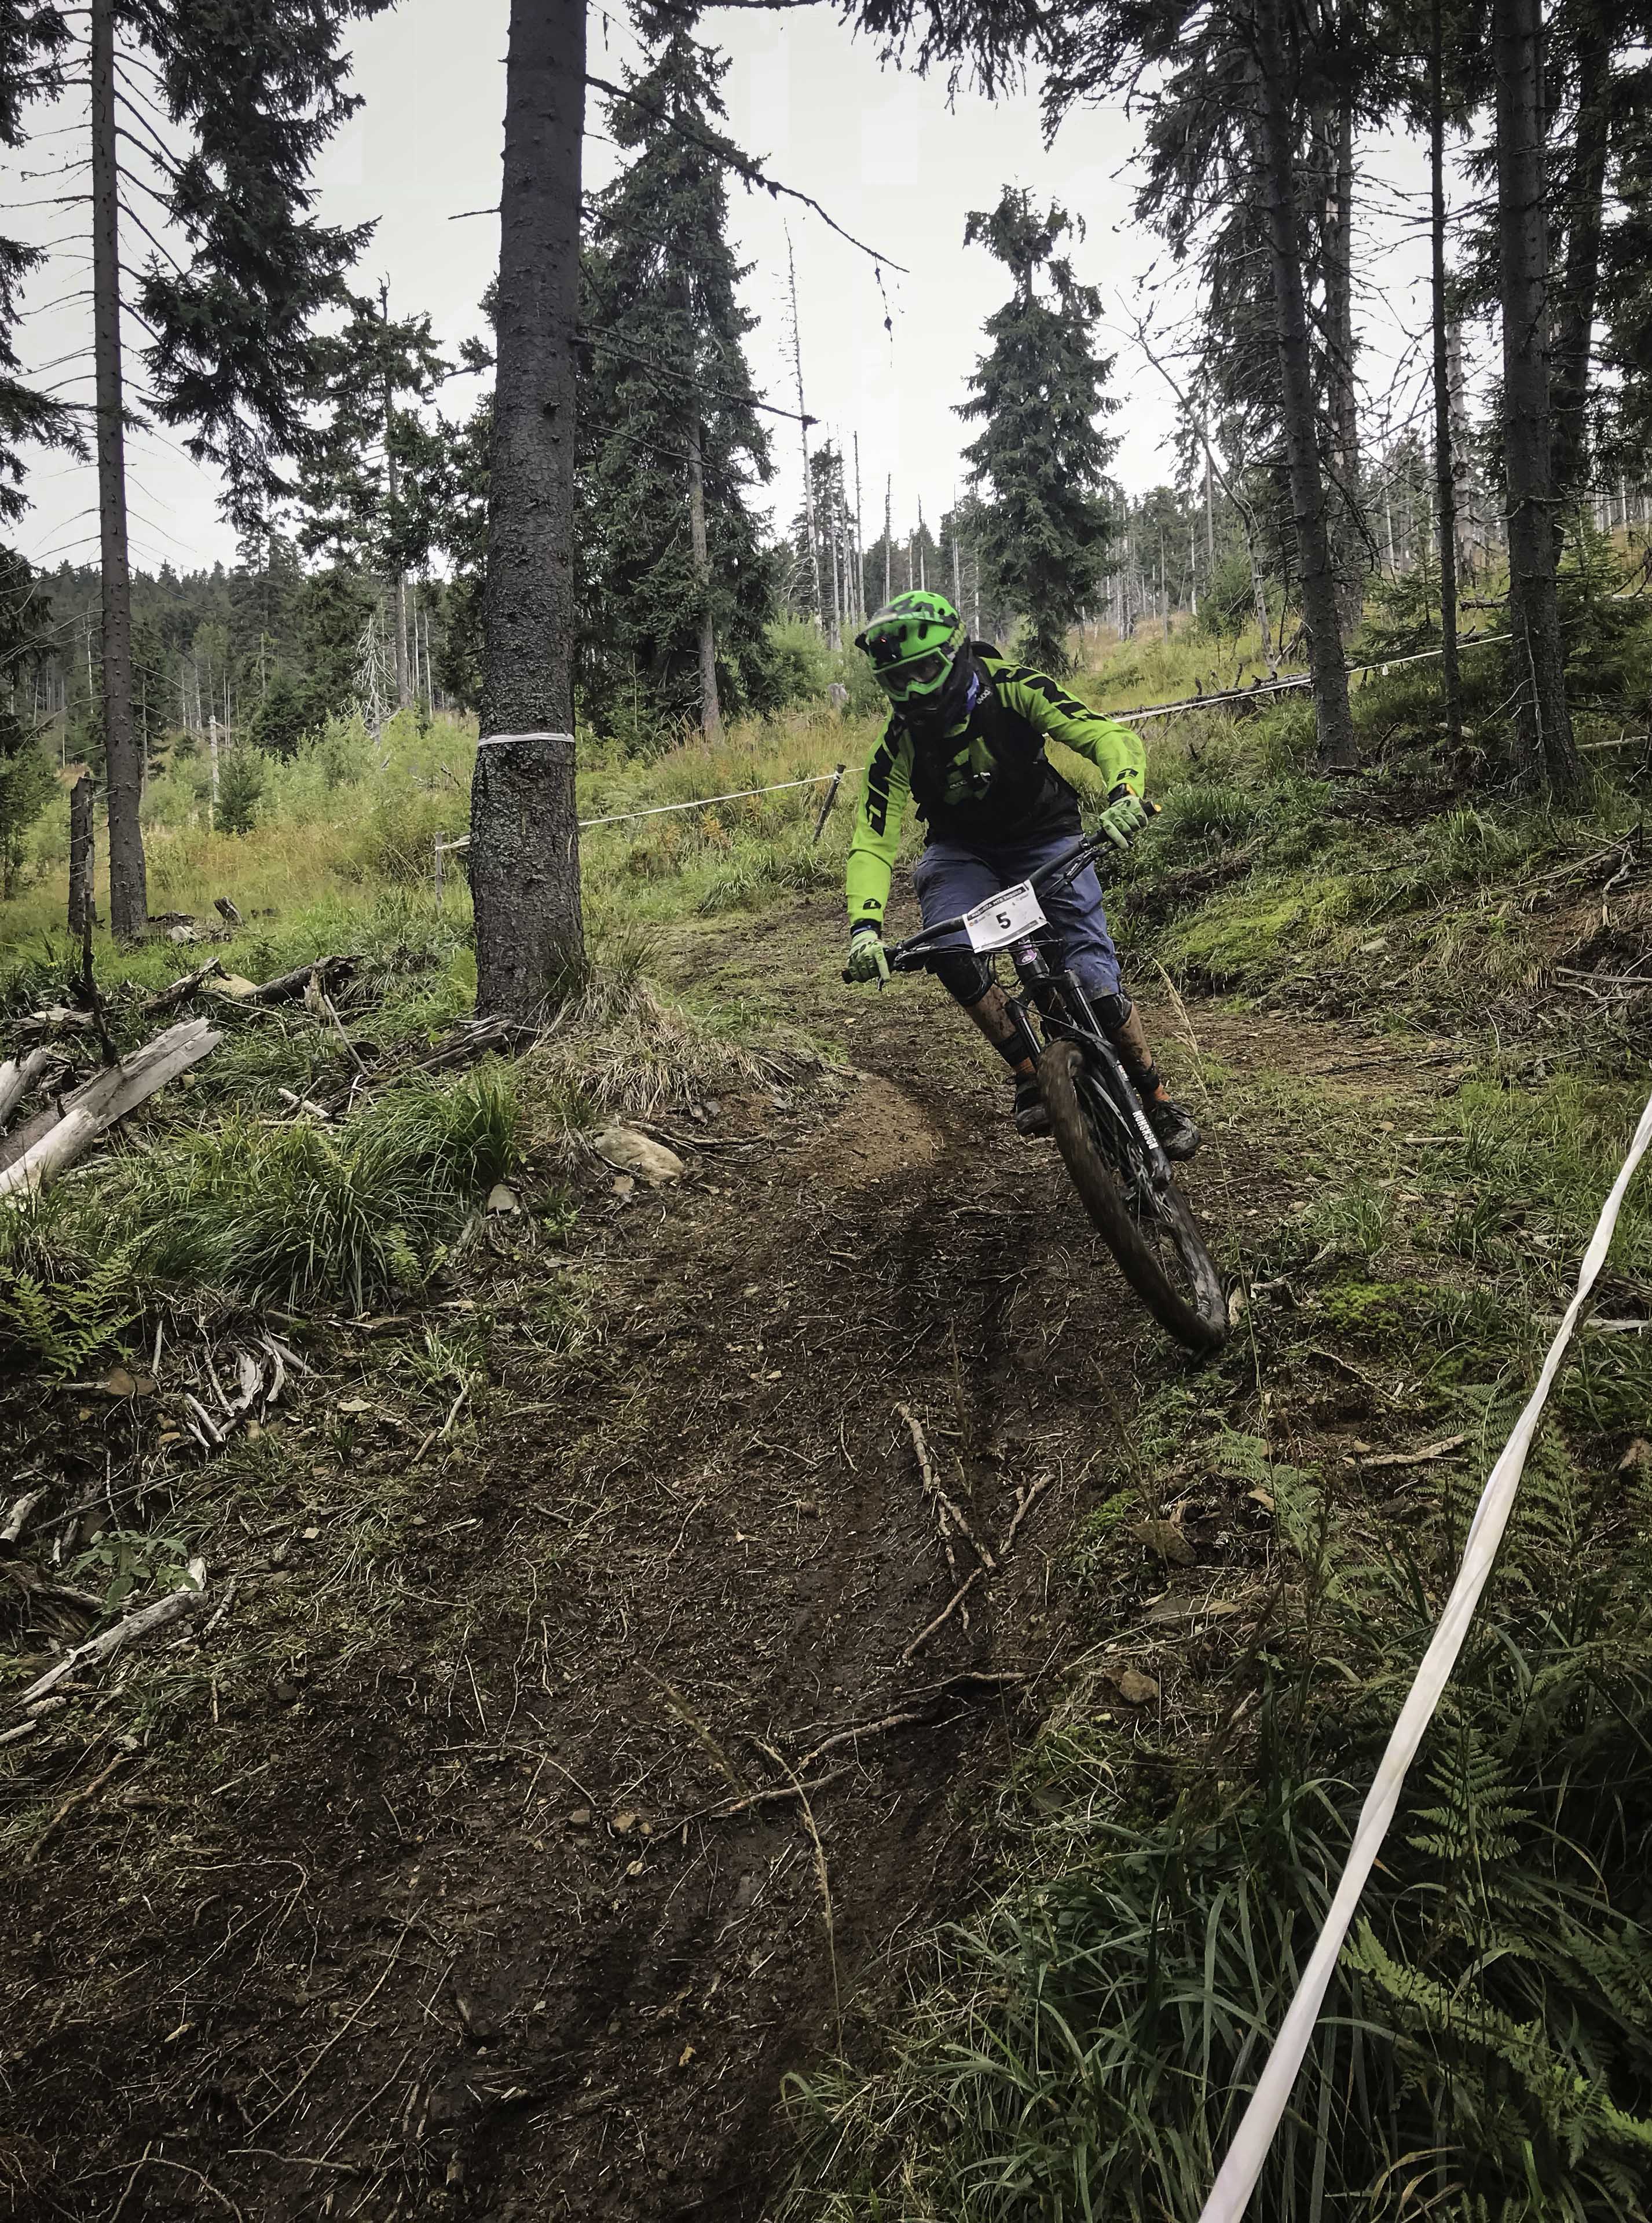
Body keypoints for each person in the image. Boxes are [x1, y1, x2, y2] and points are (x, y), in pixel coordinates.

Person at [842, 589, 1199, 1160]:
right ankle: (1030, 1071)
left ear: (955, 654)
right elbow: (872, 838)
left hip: (1046, 837)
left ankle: (1156, 1097)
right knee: (950, 952)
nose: (913, 691)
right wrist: (865, 929)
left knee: (1098, 989)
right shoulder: (897, 744)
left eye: (924, 671)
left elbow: (1104, 734)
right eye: (896, 680)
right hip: (963, 854)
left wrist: (1124, 792)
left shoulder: (1013, 686)